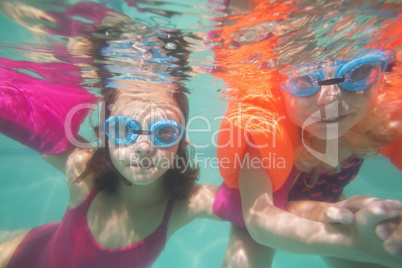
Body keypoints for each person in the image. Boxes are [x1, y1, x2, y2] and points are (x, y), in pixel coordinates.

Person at [0, 5, 223, 267]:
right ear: (105, 137)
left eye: (163, 132)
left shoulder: (187, 204)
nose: (144, 146)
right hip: (20, 254)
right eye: (123, 130)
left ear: (182, 143)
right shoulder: (83, 170)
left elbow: (257, 212)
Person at [210, 0, 402, 267]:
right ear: (281, 87)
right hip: (265, 218)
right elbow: (259, 217)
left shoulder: (378, 120)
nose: (330, 99)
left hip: (328, 207)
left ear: (380, 74)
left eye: (357, 72)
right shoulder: (266, 130)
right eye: (305, 80)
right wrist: (349, 244)